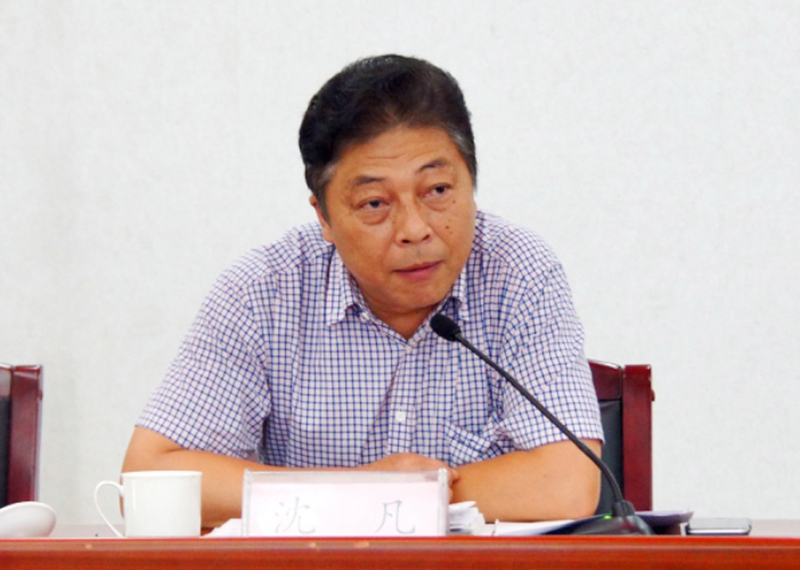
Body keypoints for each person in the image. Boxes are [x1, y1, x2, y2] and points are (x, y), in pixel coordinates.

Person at [123, 55, 604, 528]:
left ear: (471, 184)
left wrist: (395, 497)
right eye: (375, 203)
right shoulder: (264, 291)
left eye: (437, 190)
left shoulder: (517, 272)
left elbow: (567, 483)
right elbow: (149, 477)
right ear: (324, 217)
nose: (414, 229)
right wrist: (359, 490)